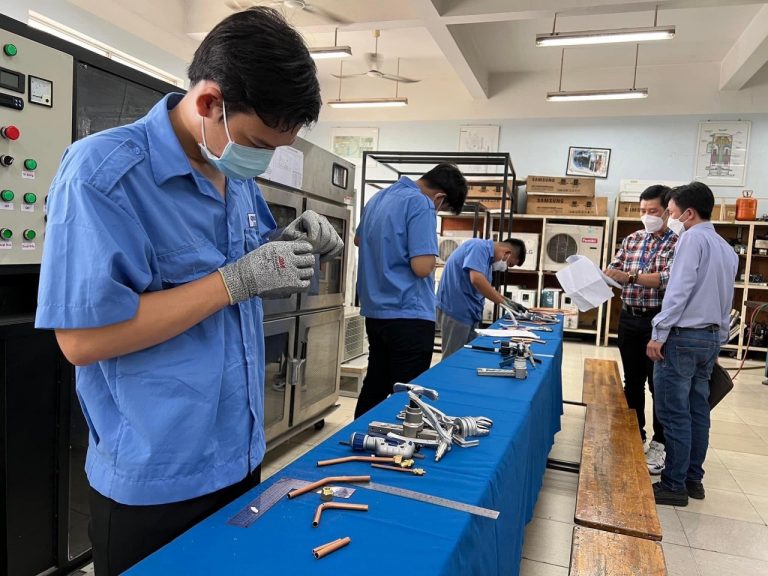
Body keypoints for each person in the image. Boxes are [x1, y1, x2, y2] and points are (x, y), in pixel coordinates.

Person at [34, 8, 342, 575]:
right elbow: (81, 340)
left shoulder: (236, 178)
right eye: (256, 142)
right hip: (156, 478)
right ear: (209, 102)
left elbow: (245, 269)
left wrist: (289, 245)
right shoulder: (102, 175)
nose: (260, 160)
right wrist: (234, 281)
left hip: (240, 456)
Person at [646, 182, 738, 506]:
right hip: (710, 337)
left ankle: (673, 485)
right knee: (698, 410)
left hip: (683, 337)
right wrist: (719, 339)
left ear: (688, 213)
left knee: (674, 413)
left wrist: (659, 332)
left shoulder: (691, 239)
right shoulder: (726, 248)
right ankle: (692, 480)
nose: (670, 218)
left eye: (671, 213)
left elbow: (678, 290)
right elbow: (727, 298)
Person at [354, 164, 468, 418]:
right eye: (442, 209)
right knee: (409, 395)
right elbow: (422, 267)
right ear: (440, 198)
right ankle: (401, 441)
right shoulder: (421, 203)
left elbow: (358, 240)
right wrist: (431, 258)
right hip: (409, 313)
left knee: (376, 383)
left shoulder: (379, 198)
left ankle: (359, 437)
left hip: (376, 311)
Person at [604, 185, 678, 475]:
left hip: (656, 321)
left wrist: (631, 276)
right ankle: (635, 433)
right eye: (643, 211)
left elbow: (667, 279)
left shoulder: (676, 243)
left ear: (667, 212)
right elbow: (615, 269)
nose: (647, 216)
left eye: (654, 211)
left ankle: (660, 443)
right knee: (632, 381)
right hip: (629, 317)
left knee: (658, 384)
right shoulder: (632, 239)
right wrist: (606, 276)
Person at [436, 237, 526, 358]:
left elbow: (486, 287)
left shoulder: (486, 261)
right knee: (453, 358)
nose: (505, 267)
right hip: (456, 312)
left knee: (467, 357)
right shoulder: (478, 247)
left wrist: (509, 302)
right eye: (509, 264)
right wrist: (504, 303)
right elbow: (477, 280)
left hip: (469, 313)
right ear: (507, 253)